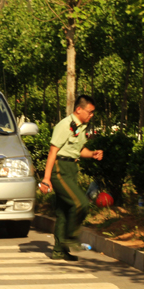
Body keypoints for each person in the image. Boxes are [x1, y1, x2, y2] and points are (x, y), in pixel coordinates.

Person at [39, 95, 103, 261]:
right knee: (80, 202)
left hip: (71, 169)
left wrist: (93, 154)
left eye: (93, 112)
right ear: (79, 109)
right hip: (60, 168)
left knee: (64, 211)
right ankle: (72, 238)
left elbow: (79, 150)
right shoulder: (65, 125)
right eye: (90, 112)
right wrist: (46, 179)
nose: (92, 115)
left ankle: (59, 250)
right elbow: (53, 151)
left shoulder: (81, 127)